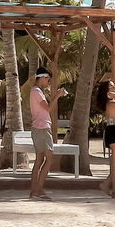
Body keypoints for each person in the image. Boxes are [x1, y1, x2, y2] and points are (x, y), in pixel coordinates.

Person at [28, 67, 66, 201]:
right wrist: (57, 96)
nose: (48, 83)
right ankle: (38, 190)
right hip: (42, 128)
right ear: (42, 78)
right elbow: (48, 108)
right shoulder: (37, 92)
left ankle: (34, 191)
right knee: (49, 159)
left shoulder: (35, 91)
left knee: (39, 160)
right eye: (48, 80)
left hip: (38, 128)